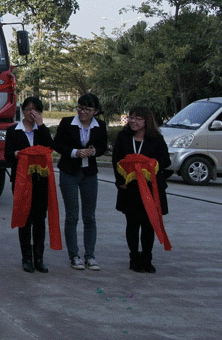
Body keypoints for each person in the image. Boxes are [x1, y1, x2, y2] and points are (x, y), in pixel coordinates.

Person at [112, 106, 171, 273]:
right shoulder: (124, 136)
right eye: (131, 117)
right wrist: (120, 181)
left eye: (138, 118)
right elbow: (116, 159)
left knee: (148, 224)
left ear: (147, 121)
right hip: (129, 188)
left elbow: (165, 160)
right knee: (132, 224)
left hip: (150, 188)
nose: (133, 121)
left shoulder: (156, 138)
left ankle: (147, 258)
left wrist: (150, 164)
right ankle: (134, 257)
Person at [53, 93, 108, 271]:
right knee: (72, 215)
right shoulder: (68, 123)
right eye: (80, 108)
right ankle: (74, 255)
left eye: (87, 109)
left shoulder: (100, 125)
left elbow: (103, 147)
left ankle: (90, 256)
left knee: (89, 216)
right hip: (69, 171)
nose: (83, 112)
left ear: (96, 111)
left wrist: (93, 151)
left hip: (89, 173)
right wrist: (75, 152)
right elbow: (58, 144)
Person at [5, 97, 55, 273]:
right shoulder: (13, 130)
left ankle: (39, 258)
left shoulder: (42, 130)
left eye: (35, 110)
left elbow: (49, 148)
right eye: (28, 109)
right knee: (24, 218)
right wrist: (18, 154)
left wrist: (40, 125)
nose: (31, 113)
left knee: (39, 219)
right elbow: (7, 154)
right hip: (21, 180)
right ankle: (26, 258)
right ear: (22, 110)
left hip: (40, 180)